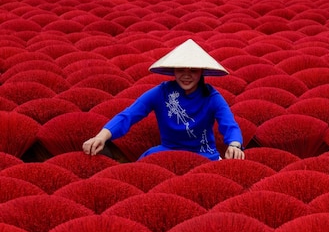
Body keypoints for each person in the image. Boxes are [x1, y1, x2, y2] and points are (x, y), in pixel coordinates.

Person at [83, 39, 245, 161]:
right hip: (167, 151)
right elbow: (129, 115)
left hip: (204, 154)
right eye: (181, 69)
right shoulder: (161, 92)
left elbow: (229, 125)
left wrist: (234, 145)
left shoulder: (212, 97)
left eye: (193, 70)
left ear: (201, 72)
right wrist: (101, 137)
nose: (186, 75)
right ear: (173, 70)